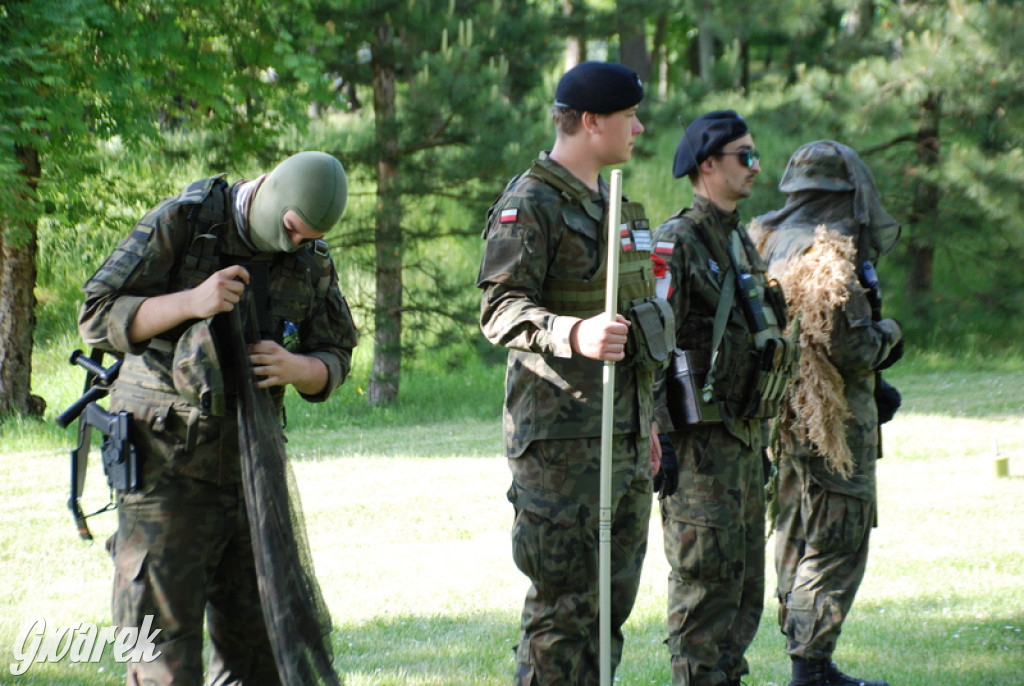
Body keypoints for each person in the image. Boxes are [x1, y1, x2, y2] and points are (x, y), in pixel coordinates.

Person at [78, 151, 359, 685]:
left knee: (259, 656)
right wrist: (191, 302)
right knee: (161, 652)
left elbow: (336, 355)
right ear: (273, 195)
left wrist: (299, 367)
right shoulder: (184, 224)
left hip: (252, 478)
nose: (298, 245)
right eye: (295, 231)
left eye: (310, 237)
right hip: (166, 473)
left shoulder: (312, 260)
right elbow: (95, 314)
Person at [477, 61, 673, 685]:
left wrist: (645, 423)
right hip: (562, 446)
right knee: (564, 609)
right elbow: (499, 310)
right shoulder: (530, 203)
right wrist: (574, 331)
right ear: (591, 122)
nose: (638, 128)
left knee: (609, 606)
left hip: (620, 434)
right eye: (628, 116)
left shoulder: (610, 206)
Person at [749, 140, 903, 686]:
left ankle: (808, 663)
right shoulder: (827, 253)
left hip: (785, 415)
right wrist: (891, 335)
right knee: (837, 538)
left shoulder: (767, 240)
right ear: (844, 193)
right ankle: (809, 670)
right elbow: (853, 346)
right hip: (832, 423)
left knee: (794, 530)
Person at [651, 110, 796, 686]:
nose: (756, 167)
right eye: (746, 156)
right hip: (697, 448)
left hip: (740, 440)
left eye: (757, 155)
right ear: (708, 164)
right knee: (704, 587)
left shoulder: (738, 237)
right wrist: (658, 434)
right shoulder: (677, 240)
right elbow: (651, 345)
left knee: (743, 589)